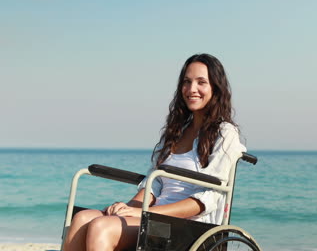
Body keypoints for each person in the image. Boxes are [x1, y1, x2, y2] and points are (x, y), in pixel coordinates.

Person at [63, 53, 246, 251]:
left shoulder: (225, 133)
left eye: (201, 82)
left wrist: (147, 213)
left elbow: (207, 199)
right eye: (187, 82)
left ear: (215, 88)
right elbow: (155, 184)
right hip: (155, 217)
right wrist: (130, 208)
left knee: (102, 227)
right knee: (82, 219)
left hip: (189, 226)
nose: (192, 89)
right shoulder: (177, 132)